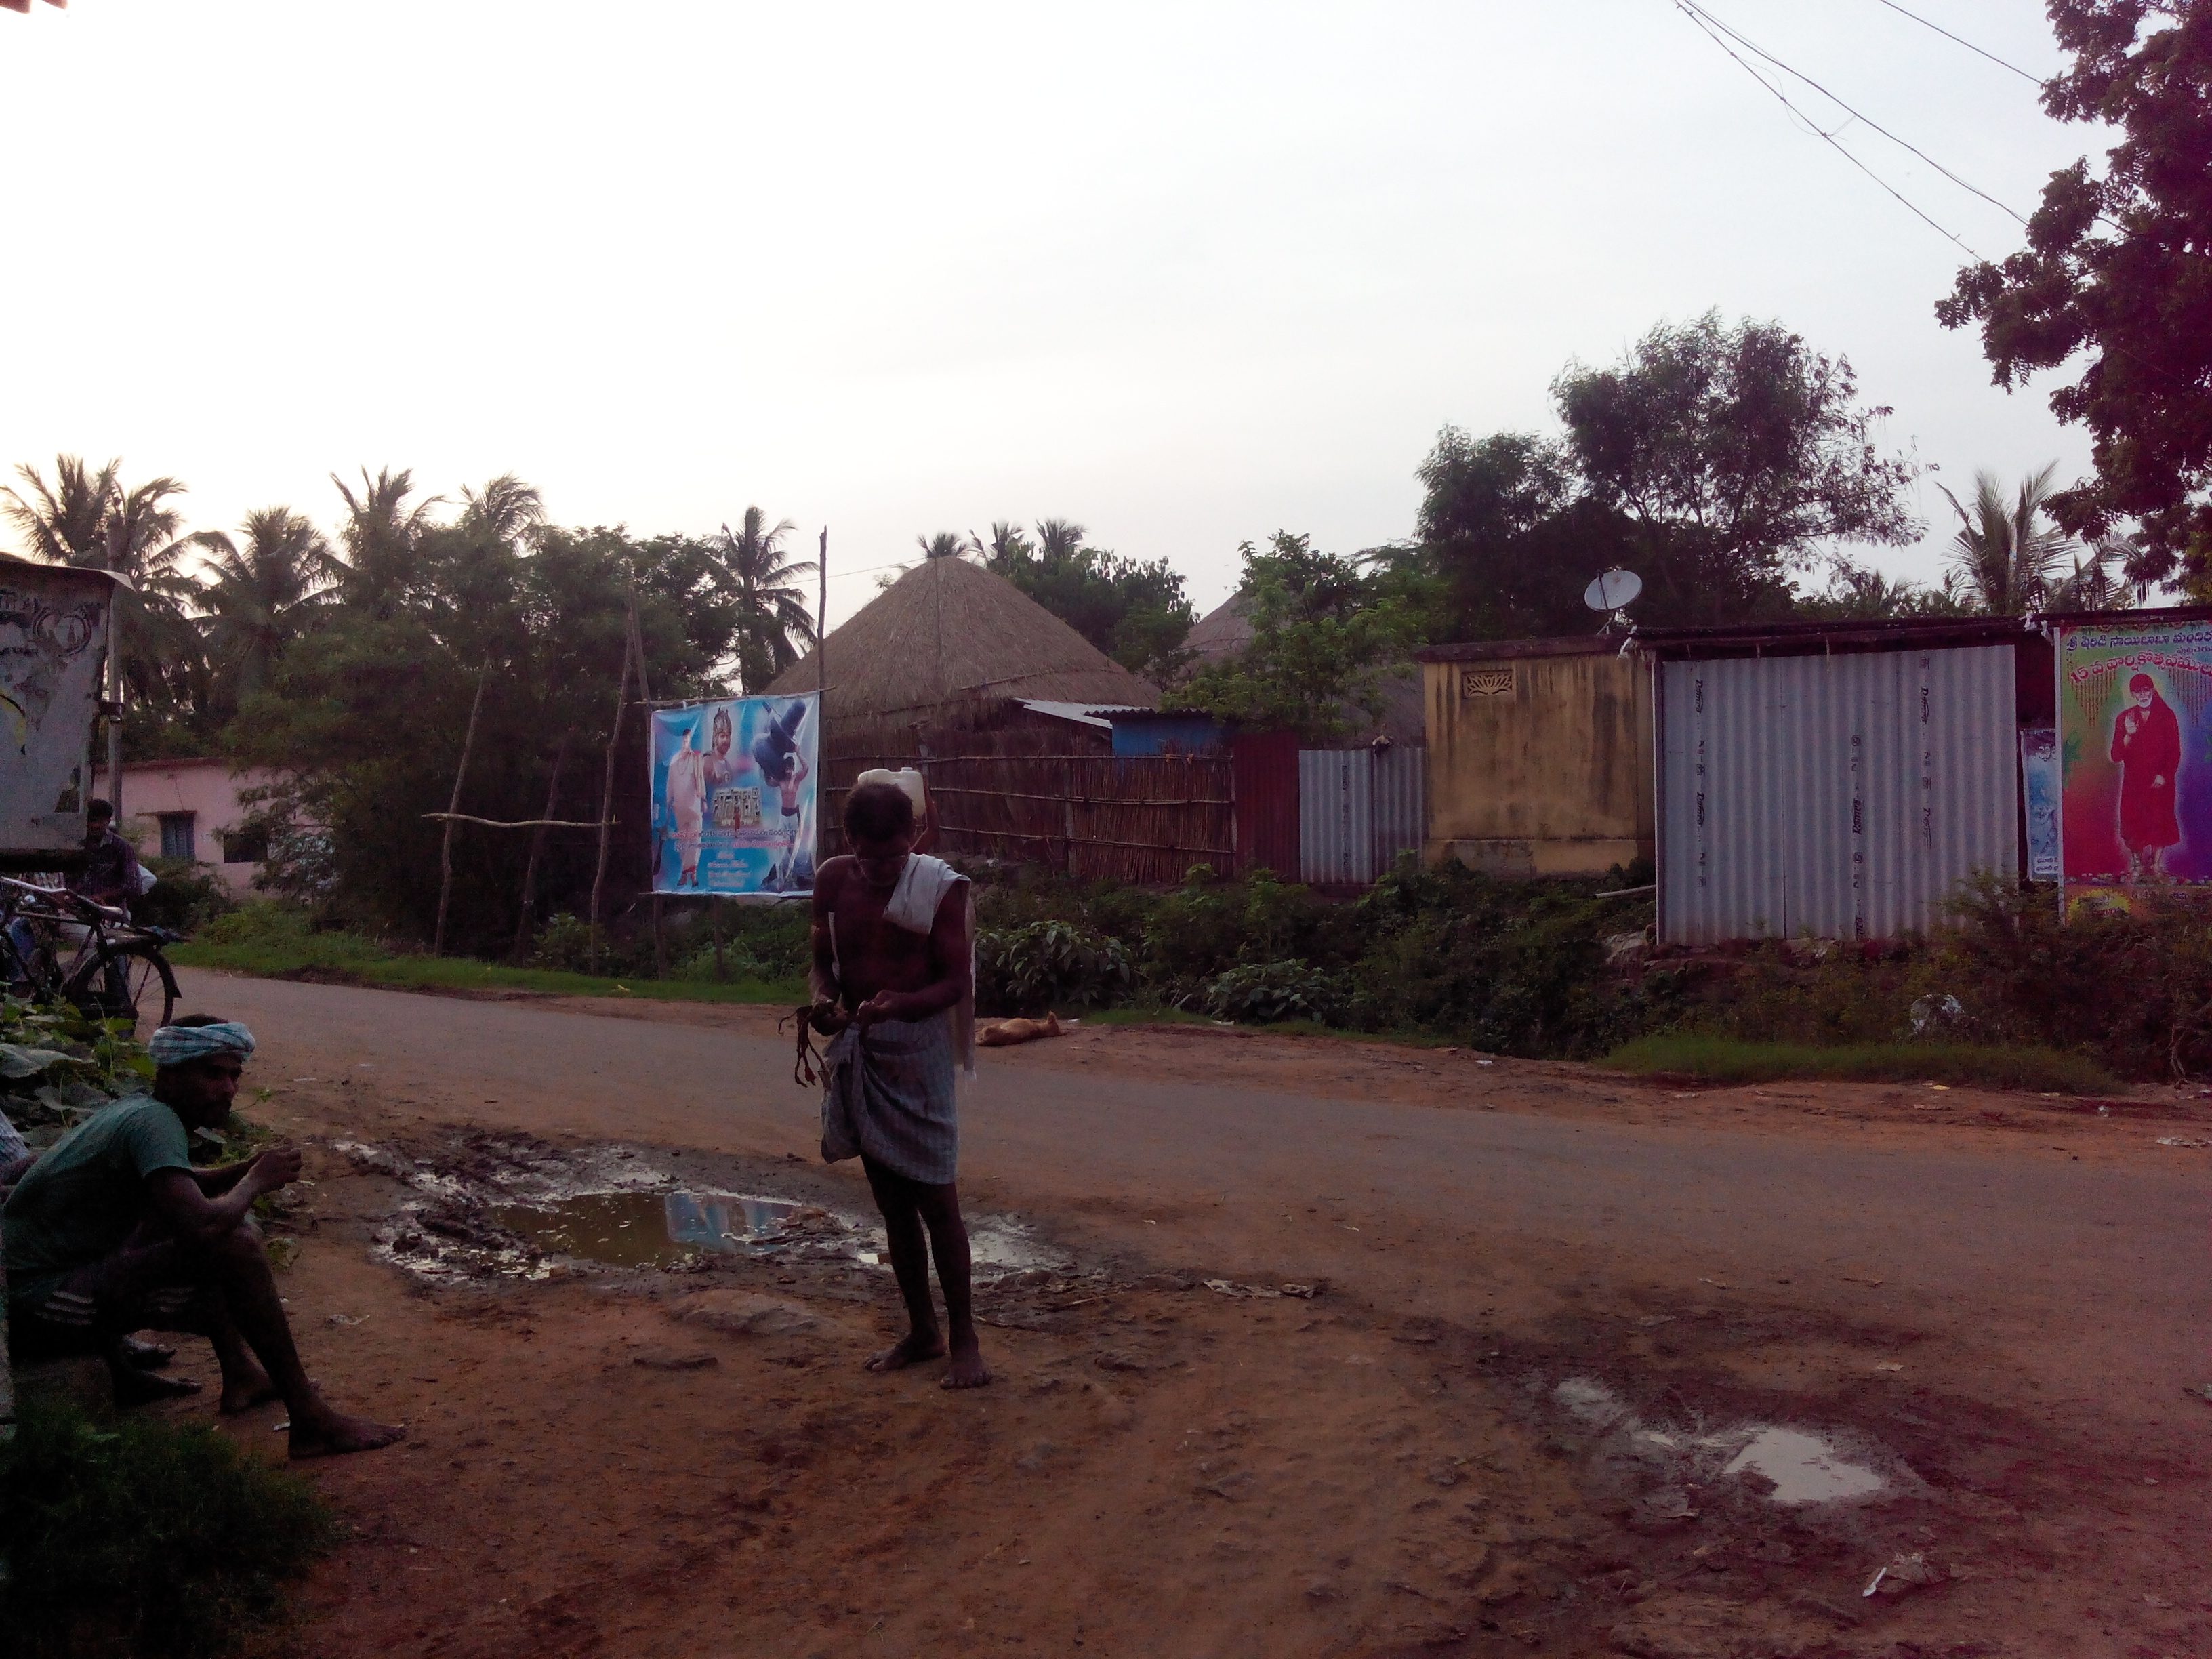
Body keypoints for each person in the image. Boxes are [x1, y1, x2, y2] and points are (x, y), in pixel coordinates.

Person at [1, 1015, 405, 1458]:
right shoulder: (153, 1122)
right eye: (212, 1074)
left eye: (234, 1075)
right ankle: (309, 1418)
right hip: (30, 1305)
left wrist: (243, 1170)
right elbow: (206, 1226)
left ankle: (241, 1374)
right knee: (229, 1242)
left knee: (224, 1231)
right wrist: (255, 1183)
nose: (229, 1089)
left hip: (49, 1280)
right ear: (171, 1073)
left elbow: (176, 1184)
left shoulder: (140, 1111)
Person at [808, 779, 985, 1389]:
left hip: (920, 1053)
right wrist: (825, 1002)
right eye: (870, 858)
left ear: (912, 838)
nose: (884, 871)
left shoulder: (937, 886)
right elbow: (822, 965)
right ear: (850, 843)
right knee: (892, 1205)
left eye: (894, 857)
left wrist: (899, 1006)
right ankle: (922, 1331)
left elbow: (955, 983)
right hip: (865, 1050)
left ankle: (966, 1342)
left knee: (940, 1203)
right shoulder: (832, 882)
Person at [2112, 671, 2183, 881]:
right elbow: (2116, 756)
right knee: (2134, 822)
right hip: (2135, 783)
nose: (2142, 695)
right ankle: (2138, 866)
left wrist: (2165, 775)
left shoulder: (2167, 715)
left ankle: (2157, 866)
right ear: (2133, 694)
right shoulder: (2125, 718)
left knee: (2160, 821)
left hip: (2160, 783)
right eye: (2137, 692)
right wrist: (2128, 735)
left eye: (2145, 690)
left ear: (2153, 690)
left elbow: (2174, 750)